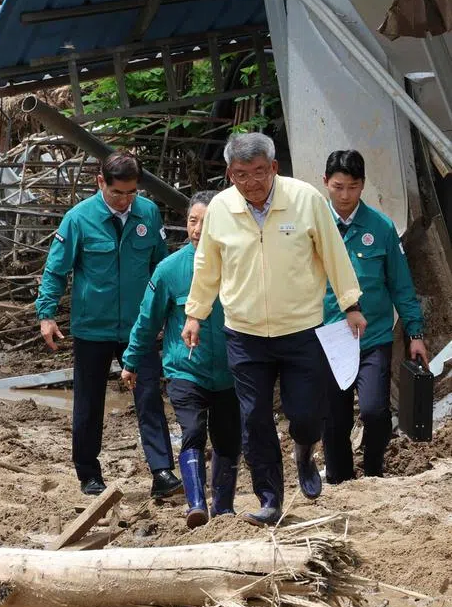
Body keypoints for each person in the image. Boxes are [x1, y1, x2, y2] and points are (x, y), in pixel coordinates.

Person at [184, 132, 365, 526]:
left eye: (259, 173)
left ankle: (303, 451)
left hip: (300, 328)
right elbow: (206, 266)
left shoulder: (305, 200)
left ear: (275, 168)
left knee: (304, 413)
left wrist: (350, 304)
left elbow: (333, 252)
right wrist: (195, 313)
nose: (251, 183)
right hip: (245, 333)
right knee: (255, 419)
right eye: (241, 175)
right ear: (230, 173)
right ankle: (270, 499)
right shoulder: (219, 209)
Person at [36, 151, 178, 499]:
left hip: (138, 327)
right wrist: (47, 314)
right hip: (92, 327)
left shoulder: (148, 214)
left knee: (148, 397)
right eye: (118, 193)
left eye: (132, 193)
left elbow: (161, 268)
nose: (125, 200)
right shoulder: (78, 219)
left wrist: (168, 314)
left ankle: (162, 471)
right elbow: (56, 270)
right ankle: (88, 473)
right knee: (89, 400)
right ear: (101, 182)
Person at [121, 191, 241, 527]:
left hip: (231, 371)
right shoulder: (169, 270)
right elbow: (148, 320)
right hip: (184, 368)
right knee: (193, 430)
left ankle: (225, 507)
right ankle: (196, 504)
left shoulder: (237, 264)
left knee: (228, 437)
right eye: (192, 220)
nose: (199, 229)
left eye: (207, 221)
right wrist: (130, 361)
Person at [320, 150, 427, 483]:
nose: (345, 195)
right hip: (330, 337)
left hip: (374, 336)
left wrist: (415, 333)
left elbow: (401, 285)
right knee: (334, 416)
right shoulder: (315, 227)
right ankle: (339, 478)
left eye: (352, 187)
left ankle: (374, 470)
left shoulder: (380, 227)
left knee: (373, 409)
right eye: (337, 187)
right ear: (325, 183)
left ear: (363, 185)